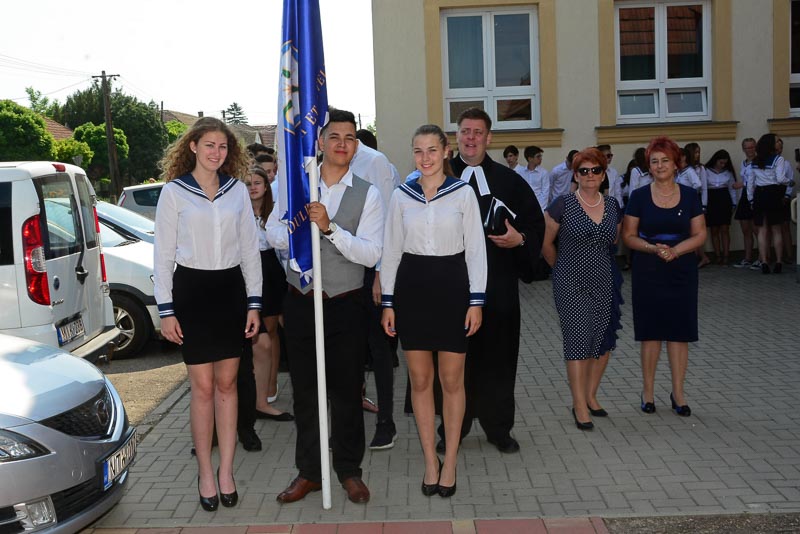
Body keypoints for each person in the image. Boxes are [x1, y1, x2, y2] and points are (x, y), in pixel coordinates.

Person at [267, 109, 383, 505]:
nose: (341, 144)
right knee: (305, 392)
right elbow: (271, 232)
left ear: (356, 145)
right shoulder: (295, 185)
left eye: (349, 138)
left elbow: (371, 253)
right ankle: (309, 473)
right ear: (320, 141)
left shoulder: (369, 193)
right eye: (334, 136)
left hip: (346, 304)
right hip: (301, 301)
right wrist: (298, 232)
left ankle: (349, 471)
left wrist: (331, 229)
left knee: (347, 391)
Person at [154, 117, 262, 511]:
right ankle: (205, 472)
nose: (216, 153)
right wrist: (166, 310)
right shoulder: (174, 192)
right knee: (202, 388)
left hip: (230, 291)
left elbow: (250, 249)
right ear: (193, 146)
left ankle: (227, 471)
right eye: (209, 145)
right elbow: (162, 255)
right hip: (192, 293)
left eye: (223, 146)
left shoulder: (237, 191)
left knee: (228, 384)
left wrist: (254, 302)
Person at [381, 124, 486, 498]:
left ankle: (451, 460)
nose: (424, 158)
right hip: (412, 291)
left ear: (445, 152)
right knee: (420, 380)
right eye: (418, 151)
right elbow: (391, 251)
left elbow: (476, 250)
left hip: (453, 289)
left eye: (431, 150)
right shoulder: (401, 195)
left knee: (452, 380)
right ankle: (430, 461)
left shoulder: (463, 193)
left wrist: (476, 301)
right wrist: (388, 302)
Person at [442, 107, 544, 454]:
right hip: (452, 287)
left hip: (498, 287)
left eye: (477, 132)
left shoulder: (510, 181)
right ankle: (452, 427)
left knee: (499, 359)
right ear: (457, 136)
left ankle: (498, 427)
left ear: (489, 138)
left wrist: (521, 240)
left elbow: (534, 225)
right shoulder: (438, 176)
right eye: (465, 131)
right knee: (454, 361)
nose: (470, 138)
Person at [622, 136, 706, 417]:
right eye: (654, 161)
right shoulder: (638, 196)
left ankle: (678, 393)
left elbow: (700, 234)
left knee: (680, 333)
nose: (659, 166)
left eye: (665, 160)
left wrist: (676, 251)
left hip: (681, 269)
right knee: (651, 333)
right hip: (648, 269)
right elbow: (628, 236)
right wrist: (652, 248)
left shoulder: (690, 195)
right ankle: (647, 392)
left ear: (676, 164)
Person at [542, 147, 623, 430]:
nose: (590, 175)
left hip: (604, 280)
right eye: (583, 171)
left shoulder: (613, 205)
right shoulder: (562, 204)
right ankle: (579, 405)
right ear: (575, 175)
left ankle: (589, 396)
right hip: (570, 282)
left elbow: (614, 241)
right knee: (577, 341)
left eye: (595, 170)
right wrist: (561, 270)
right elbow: (546, 243)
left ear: (603, 174)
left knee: (597, 341)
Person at [350, 128, 401, 450]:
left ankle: (386, 423)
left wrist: (382, 274)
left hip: (372, 271)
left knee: (379, 349)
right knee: (347, 350)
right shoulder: (320, 166)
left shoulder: (375, 162)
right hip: (340, 271)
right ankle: (348, 420)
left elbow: (388, 221)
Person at [245, 167, 293, 424]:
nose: (253, 187)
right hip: (249, 271)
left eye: (257, 183)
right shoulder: (240, 213)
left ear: (266, 186)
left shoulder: (273, 214)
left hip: (271, 272)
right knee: (256, 334)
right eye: (248, 183)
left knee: (271, 332)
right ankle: (256, 390)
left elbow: (282, 248)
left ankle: (271, 384)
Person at [745, 133, 791, 274]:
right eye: (777, 141)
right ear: (771, 144)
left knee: (762, 230)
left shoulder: (755, 161)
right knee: (776, 230)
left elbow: (750, 183)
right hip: (773, 194)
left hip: (759, 194)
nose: (779, 143)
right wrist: (790, 182)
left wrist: (751, 199)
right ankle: (778, 262)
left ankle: (764, 262)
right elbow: (780, 178)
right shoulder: (778, 159)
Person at [702, 150, 737, 265]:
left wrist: (734, 203)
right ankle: (717, 255)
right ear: (715, 160)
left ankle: (726, 255)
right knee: (714, 229)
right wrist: (704, 204)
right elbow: (703, 188)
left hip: (724, 199)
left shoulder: (728, 172)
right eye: (720, 162)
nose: (722, 165)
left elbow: (732, 188)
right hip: (712, 199)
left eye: (724, 163)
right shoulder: (706, 170)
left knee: (725, 229)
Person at [684, 143, 712, 268]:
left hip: (695, 200)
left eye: (698, 152)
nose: (698, 155)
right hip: (684, 202)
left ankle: (698, 257)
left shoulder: (700, 169)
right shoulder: (683, 169)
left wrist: (704, 205)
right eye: (695, 152)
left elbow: (704, 187)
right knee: (688, 231)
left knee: (695, 231)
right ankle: (701, 257)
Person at [733, 138, 758, 269]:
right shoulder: (744, 163)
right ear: (743, 149)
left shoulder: (759, 162)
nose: (750, 150)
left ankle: (762, 257)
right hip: (744, 196)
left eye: (752, 147)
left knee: (756, 229)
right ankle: (747, 258)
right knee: (746, 229)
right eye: (747, 148)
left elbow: (759, 180)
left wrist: (743, 184)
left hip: (755, 196)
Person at [519, 145, 549, 212]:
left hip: (539, 207)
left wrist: (539, 210)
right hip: (524, 207)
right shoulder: (521, 173)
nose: (541, 158)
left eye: (541, 156)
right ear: (530, 158)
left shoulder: (544, 173)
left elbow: (545, 193)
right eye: (538, 156)